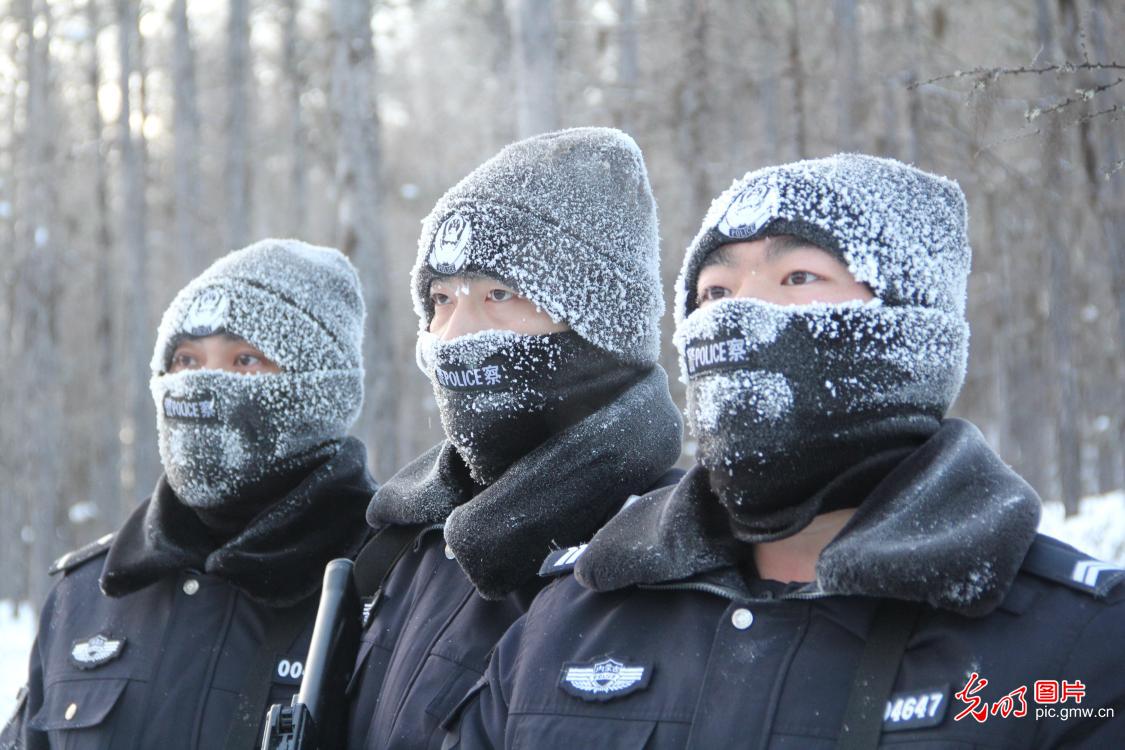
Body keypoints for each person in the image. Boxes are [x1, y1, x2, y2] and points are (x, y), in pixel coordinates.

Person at [445, 154, 1125, 748]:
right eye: (714, 291)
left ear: (908, 332)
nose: (734, 314)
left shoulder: (1073, 650)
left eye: (797, 277)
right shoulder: (572, 620)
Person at [344, 127, 683, 749]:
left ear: (599, 319)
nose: (455, 335)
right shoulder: (408, 549)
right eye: (441, 300)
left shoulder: (680, 549)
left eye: (499, 294)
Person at [2, 239, 376, 749]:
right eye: (185, 360)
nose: (201, 385)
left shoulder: (391, 586)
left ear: (318, 391)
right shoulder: (89, 595)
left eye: (244, 360)